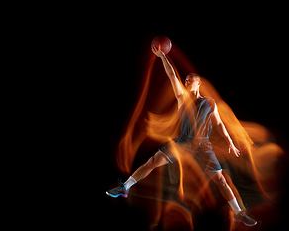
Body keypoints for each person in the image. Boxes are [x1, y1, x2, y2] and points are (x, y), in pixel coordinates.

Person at [106, 45, 257, 226]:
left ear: (198, 82)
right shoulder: (182, 97)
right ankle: (125, 187)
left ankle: (239, 212)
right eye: (185, 79)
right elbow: (172, 75)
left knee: (221, 181)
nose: (186, 80)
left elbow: (219, 124)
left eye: (190, 78)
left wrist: (231, 143)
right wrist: (162, 56)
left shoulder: (210, 103)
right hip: (183, 142)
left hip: (203, 146)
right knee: (152, 162)